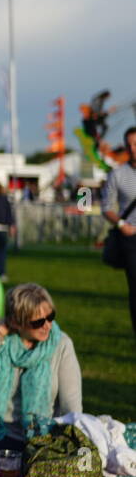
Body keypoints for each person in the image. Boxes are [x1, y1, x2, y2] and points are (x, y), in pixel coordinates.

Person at [0, 283, 82, 456]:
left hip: (15, 435)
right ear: (16, 323)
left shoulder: (61, 344)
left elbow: (72, 405)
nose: (47, 325)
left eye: (50, 316)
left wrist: (73, 444)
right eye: (38, 322)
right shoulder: (5, 340)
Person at [101, 126, 136, 341]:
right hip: (131, 237)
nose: (133, 149)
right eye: (130, 145)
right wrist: (121, 223)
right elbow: (107, 206)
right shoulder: (118, 174)